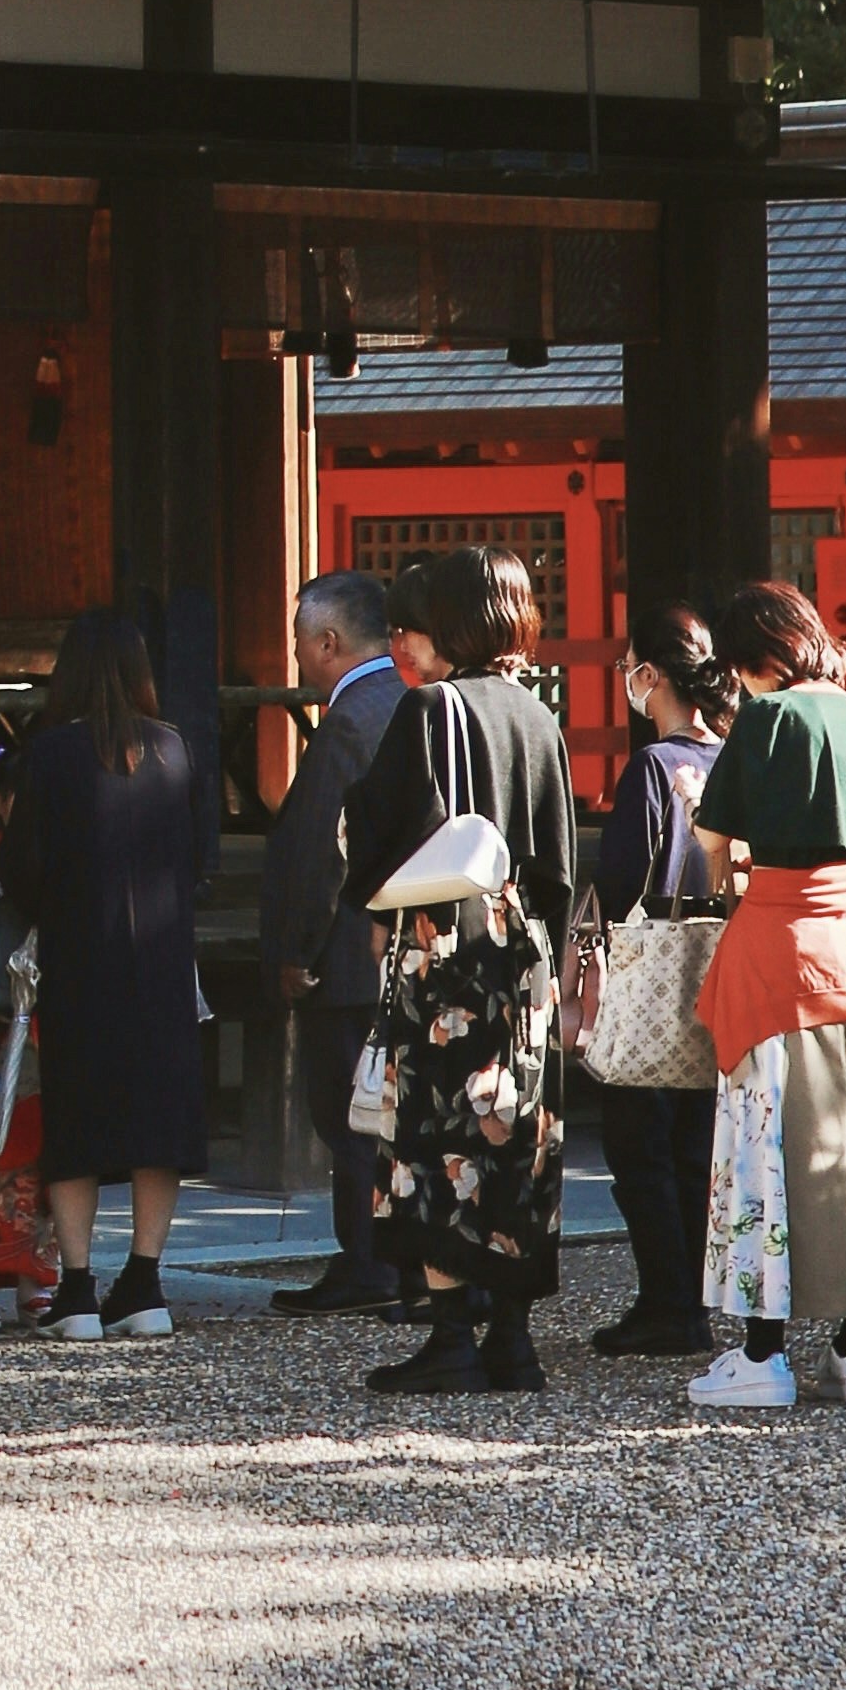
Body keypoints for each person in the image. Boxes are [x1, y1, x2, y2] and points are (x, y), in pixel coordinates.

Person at [340, 545, 573, 1398]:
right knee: (514, 1129)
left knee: (437, 1131)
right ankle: (512, 1336)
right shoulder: (536, 716)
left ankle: (449, 1333)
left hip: (445, 947)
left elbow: (384, 826)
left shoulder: (434, 708)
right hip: (524, 954)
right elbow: (555, 861)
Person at [685, 580, 846, 1413]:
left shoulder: (768, 719)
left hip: (777, 952)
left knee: (764, 1149)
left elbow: (710, 841)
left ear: (756, 658)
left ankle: (762, 1353)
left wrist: (742, 865)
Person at [0, 605, 209, 1338]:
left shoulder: (50, 756)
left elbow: (18, 865)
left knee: (76, 1117)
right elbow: (200, 858)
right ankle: (146, 1282)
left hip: (79, 957)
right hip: (160, 958)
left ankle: (79, 1288)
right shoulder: (175, 750)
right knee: (159, 1118)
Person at [572, 608, 733, 1357]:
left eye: (631, 666)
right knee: (699, 1141)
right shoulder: (728, 756)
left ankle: (666, 1301)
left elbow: (623, 875)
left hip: (651, 968)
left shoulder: (653, 768)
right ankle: (695, 1296)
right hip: (719, 959)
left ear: (653, 677)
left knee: (640, 1142)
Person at [260, 572, 416, 1316]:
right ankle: (395, 1254)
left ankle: (368, 1262)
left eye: (298, 639)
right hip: (402, 941)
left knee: (349, 1114)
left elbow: (327, 850)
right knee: (388, 1113)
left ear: (328, 642)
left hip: (350, 948)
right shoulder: (410, 702)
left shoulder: (353, 720)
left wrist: (297, 948)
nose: (293, 655)